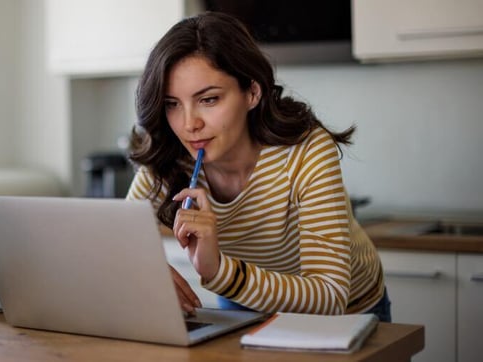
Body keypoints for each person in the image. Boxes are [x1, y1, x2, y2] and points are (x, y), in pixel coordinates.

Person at [125, 12, 390, 322]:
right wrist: (145, 269)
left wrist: (219, 271)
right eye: (172, 104)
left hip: (348, 313)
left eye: (209, 99)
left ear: (252, 92)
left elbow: (329, 294)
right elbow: (118, 243)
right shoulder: (170, 156)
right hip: (245, 303)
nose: (189, 125)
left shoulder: (306, 150)